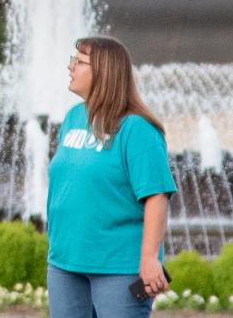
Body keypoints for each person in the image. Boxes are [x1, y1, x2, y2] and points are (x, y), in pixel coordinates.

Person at [47, 36, 176, 317]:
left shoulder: (136, 130)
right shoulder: (73, 118)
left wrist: (149, 259)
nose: (70, 67)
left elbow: (157, 196)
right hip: (65, 263)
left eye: (79, 62)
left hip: (117, 267)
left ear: (104, 73)